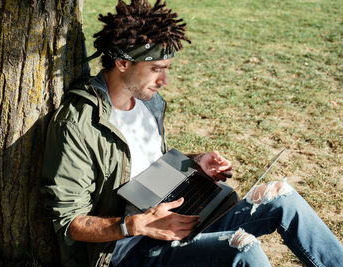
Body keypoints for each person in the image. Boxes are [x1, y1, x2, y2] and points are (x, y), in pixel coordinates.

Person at [41, 1, 343, 266]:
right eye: (156, 68)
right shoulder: (79, 123)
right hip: (126, 250)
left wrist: (194, 163)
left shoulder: (148, 103)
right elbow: (69, 222)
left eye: (167, 68)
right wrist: (135, 225)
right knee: (243, 249)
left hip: (175, 220)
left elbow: (144, 167)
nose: (165, 80)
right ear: (122, 63)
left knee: (282, 197)